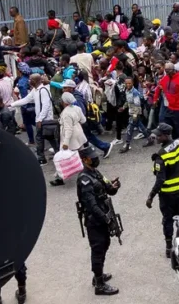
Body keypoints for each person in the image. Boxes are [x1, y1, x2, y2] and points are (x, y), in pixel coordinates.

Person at [75, 145, 121, 296]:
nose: (95, 159)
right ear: (84, 160)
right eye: (92, 157)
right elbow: (91, 205)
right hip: (95, 221)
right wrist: (106, 219)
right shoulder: (84, 180)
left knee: (105, 244)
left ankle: (98, 275)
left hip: (103, 216)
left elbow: (108, 189)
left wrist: (114, 186)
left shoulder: (96, 173)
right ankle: (99, 285)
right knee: (98, 249)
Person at [145, 123, 179, 258]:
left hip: (167, 195)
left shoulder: (161, 155)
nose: (156, 137)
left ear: (166, 136)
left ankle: (169, 247)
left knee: (167, 220)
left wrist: (151, 196)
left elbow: (160, 180)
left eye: (159, 135)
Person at [50, 92, 88, 187]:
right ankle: (87, 173)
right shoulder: (77, 108)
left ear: (64, 102)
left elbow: (68, 129)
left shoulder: (66, 113)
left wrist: (65, 143)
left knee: (62, 157)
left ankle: (59, 177)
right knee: (82, 155)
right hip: (79, 133)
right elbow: (83, 120)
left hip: (70, 138)